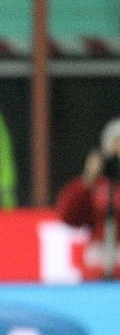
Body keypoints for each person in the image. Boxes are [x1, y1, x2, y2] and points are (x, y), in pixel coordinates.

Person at [56, 117, 120, 279]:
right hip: (98, 261)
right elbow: (68, 215)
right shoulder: (96, 185)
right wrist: (88, 179)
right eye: (116, 144)